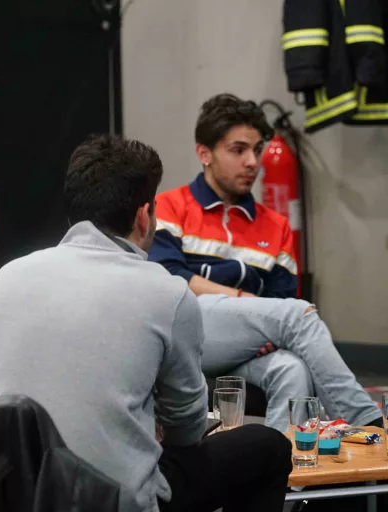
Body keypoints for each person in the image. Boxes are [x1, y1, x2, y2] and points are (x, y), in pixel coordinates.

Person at [0, 134, 292, 512]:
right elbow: (187, 428)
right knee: (267, 446)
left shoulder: (6, 278)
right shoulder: (167, 292)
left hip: (16, 496)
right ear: (144, 217)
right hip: (114, 501)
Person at [149, 93, 382, 431]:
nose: (252, 162)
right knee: (299, 315)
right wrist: (244, 301)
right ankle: (368, 423)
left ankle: (284, 461)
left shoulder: (276, 226)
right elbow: (170, 279)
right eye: (238, 150)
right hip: (183, 336)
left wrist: (257, 323)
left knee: (292, 369)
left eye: (257, 150)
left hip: (243, 347)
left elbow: (279, 300)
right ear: (204, 154)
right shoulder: (169, 207)